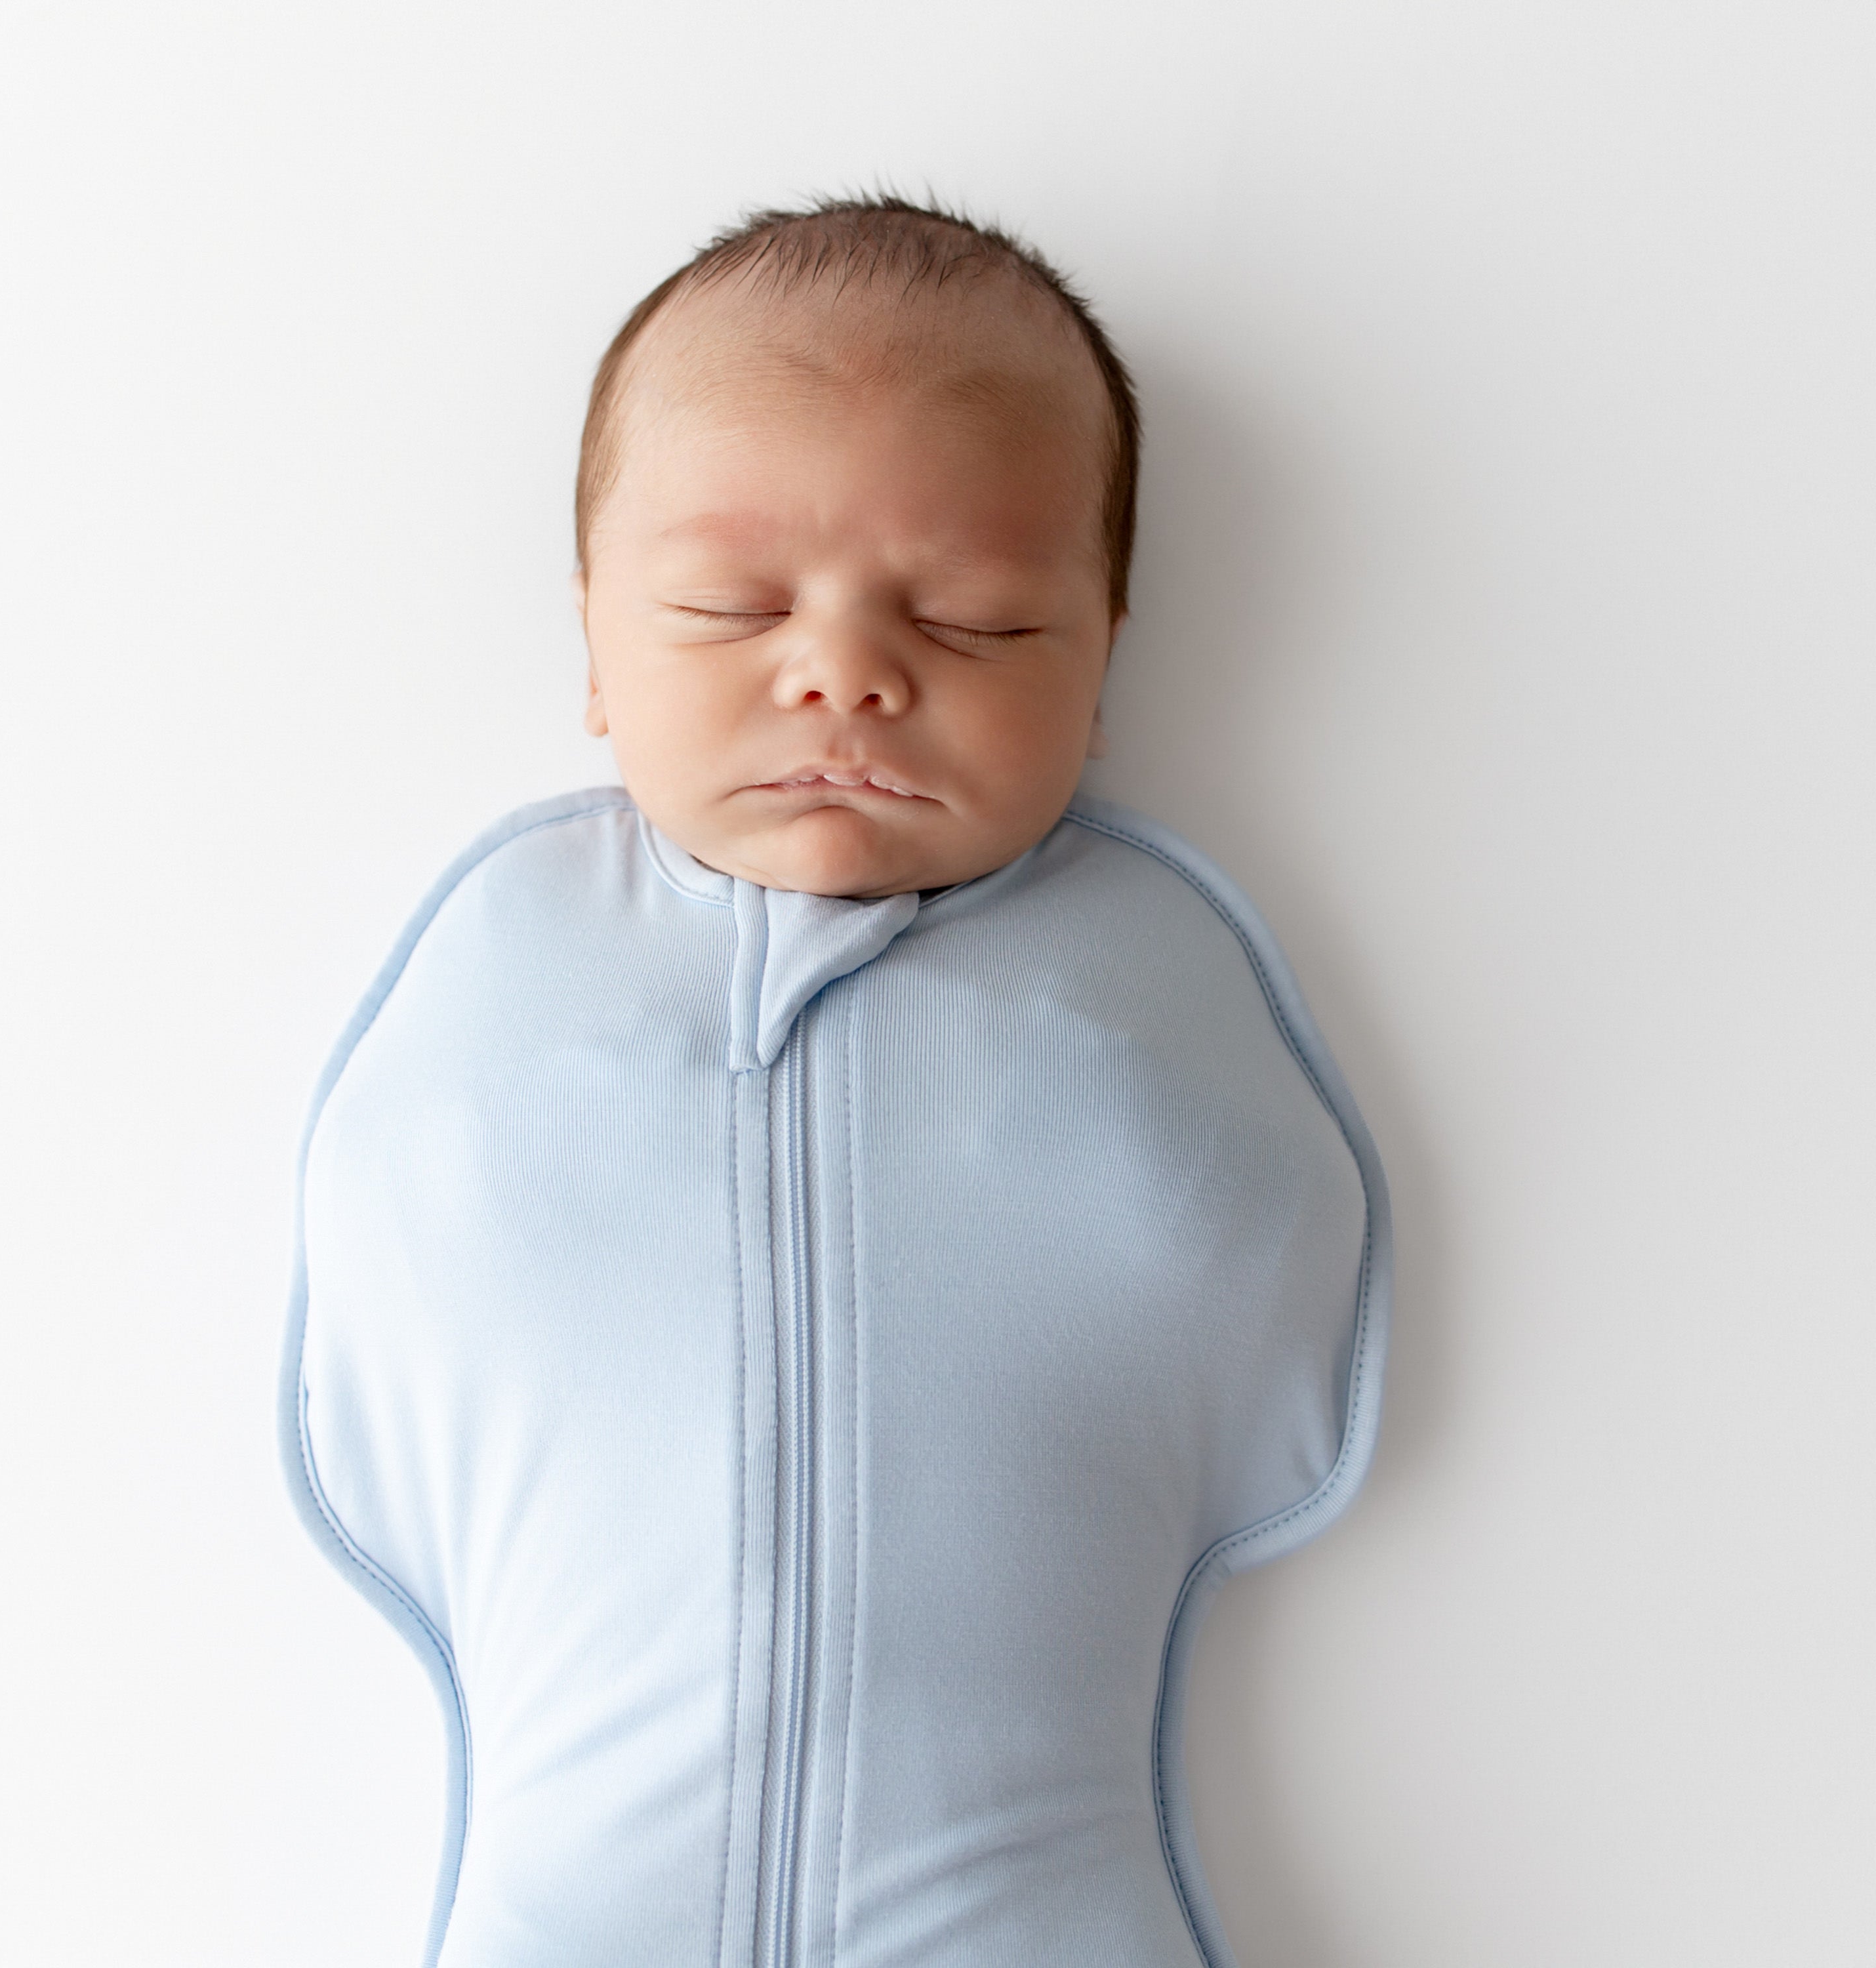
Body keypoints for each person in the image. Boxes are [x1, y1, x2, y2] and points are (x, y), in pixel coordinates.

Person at [283, 195, 1389, 1968]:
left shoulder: (1143, 982)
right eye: (731, 606)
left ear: (1105, 654)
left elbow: (1266, 1286)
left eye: (976, 623)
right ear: (591, 641)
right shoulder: (512, 961)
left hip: (1042, 1907)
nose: (847, 673)